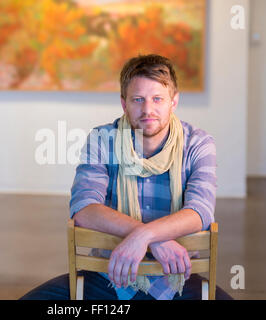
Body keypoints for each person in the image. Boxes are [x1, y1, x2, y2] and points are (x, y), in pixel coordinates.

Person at [20, 54, 233, 300]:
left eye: (157, 99)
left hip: (176, 279)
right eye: (138, 99)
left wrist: (144, 236)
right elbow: (84, 207)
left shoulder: (198, 143)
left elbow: (200, 211)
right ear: (124, 103)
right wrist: (151, 238)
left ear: (174, 102)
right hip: (109, 275)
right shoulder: (102, 140)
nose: (147, 110)